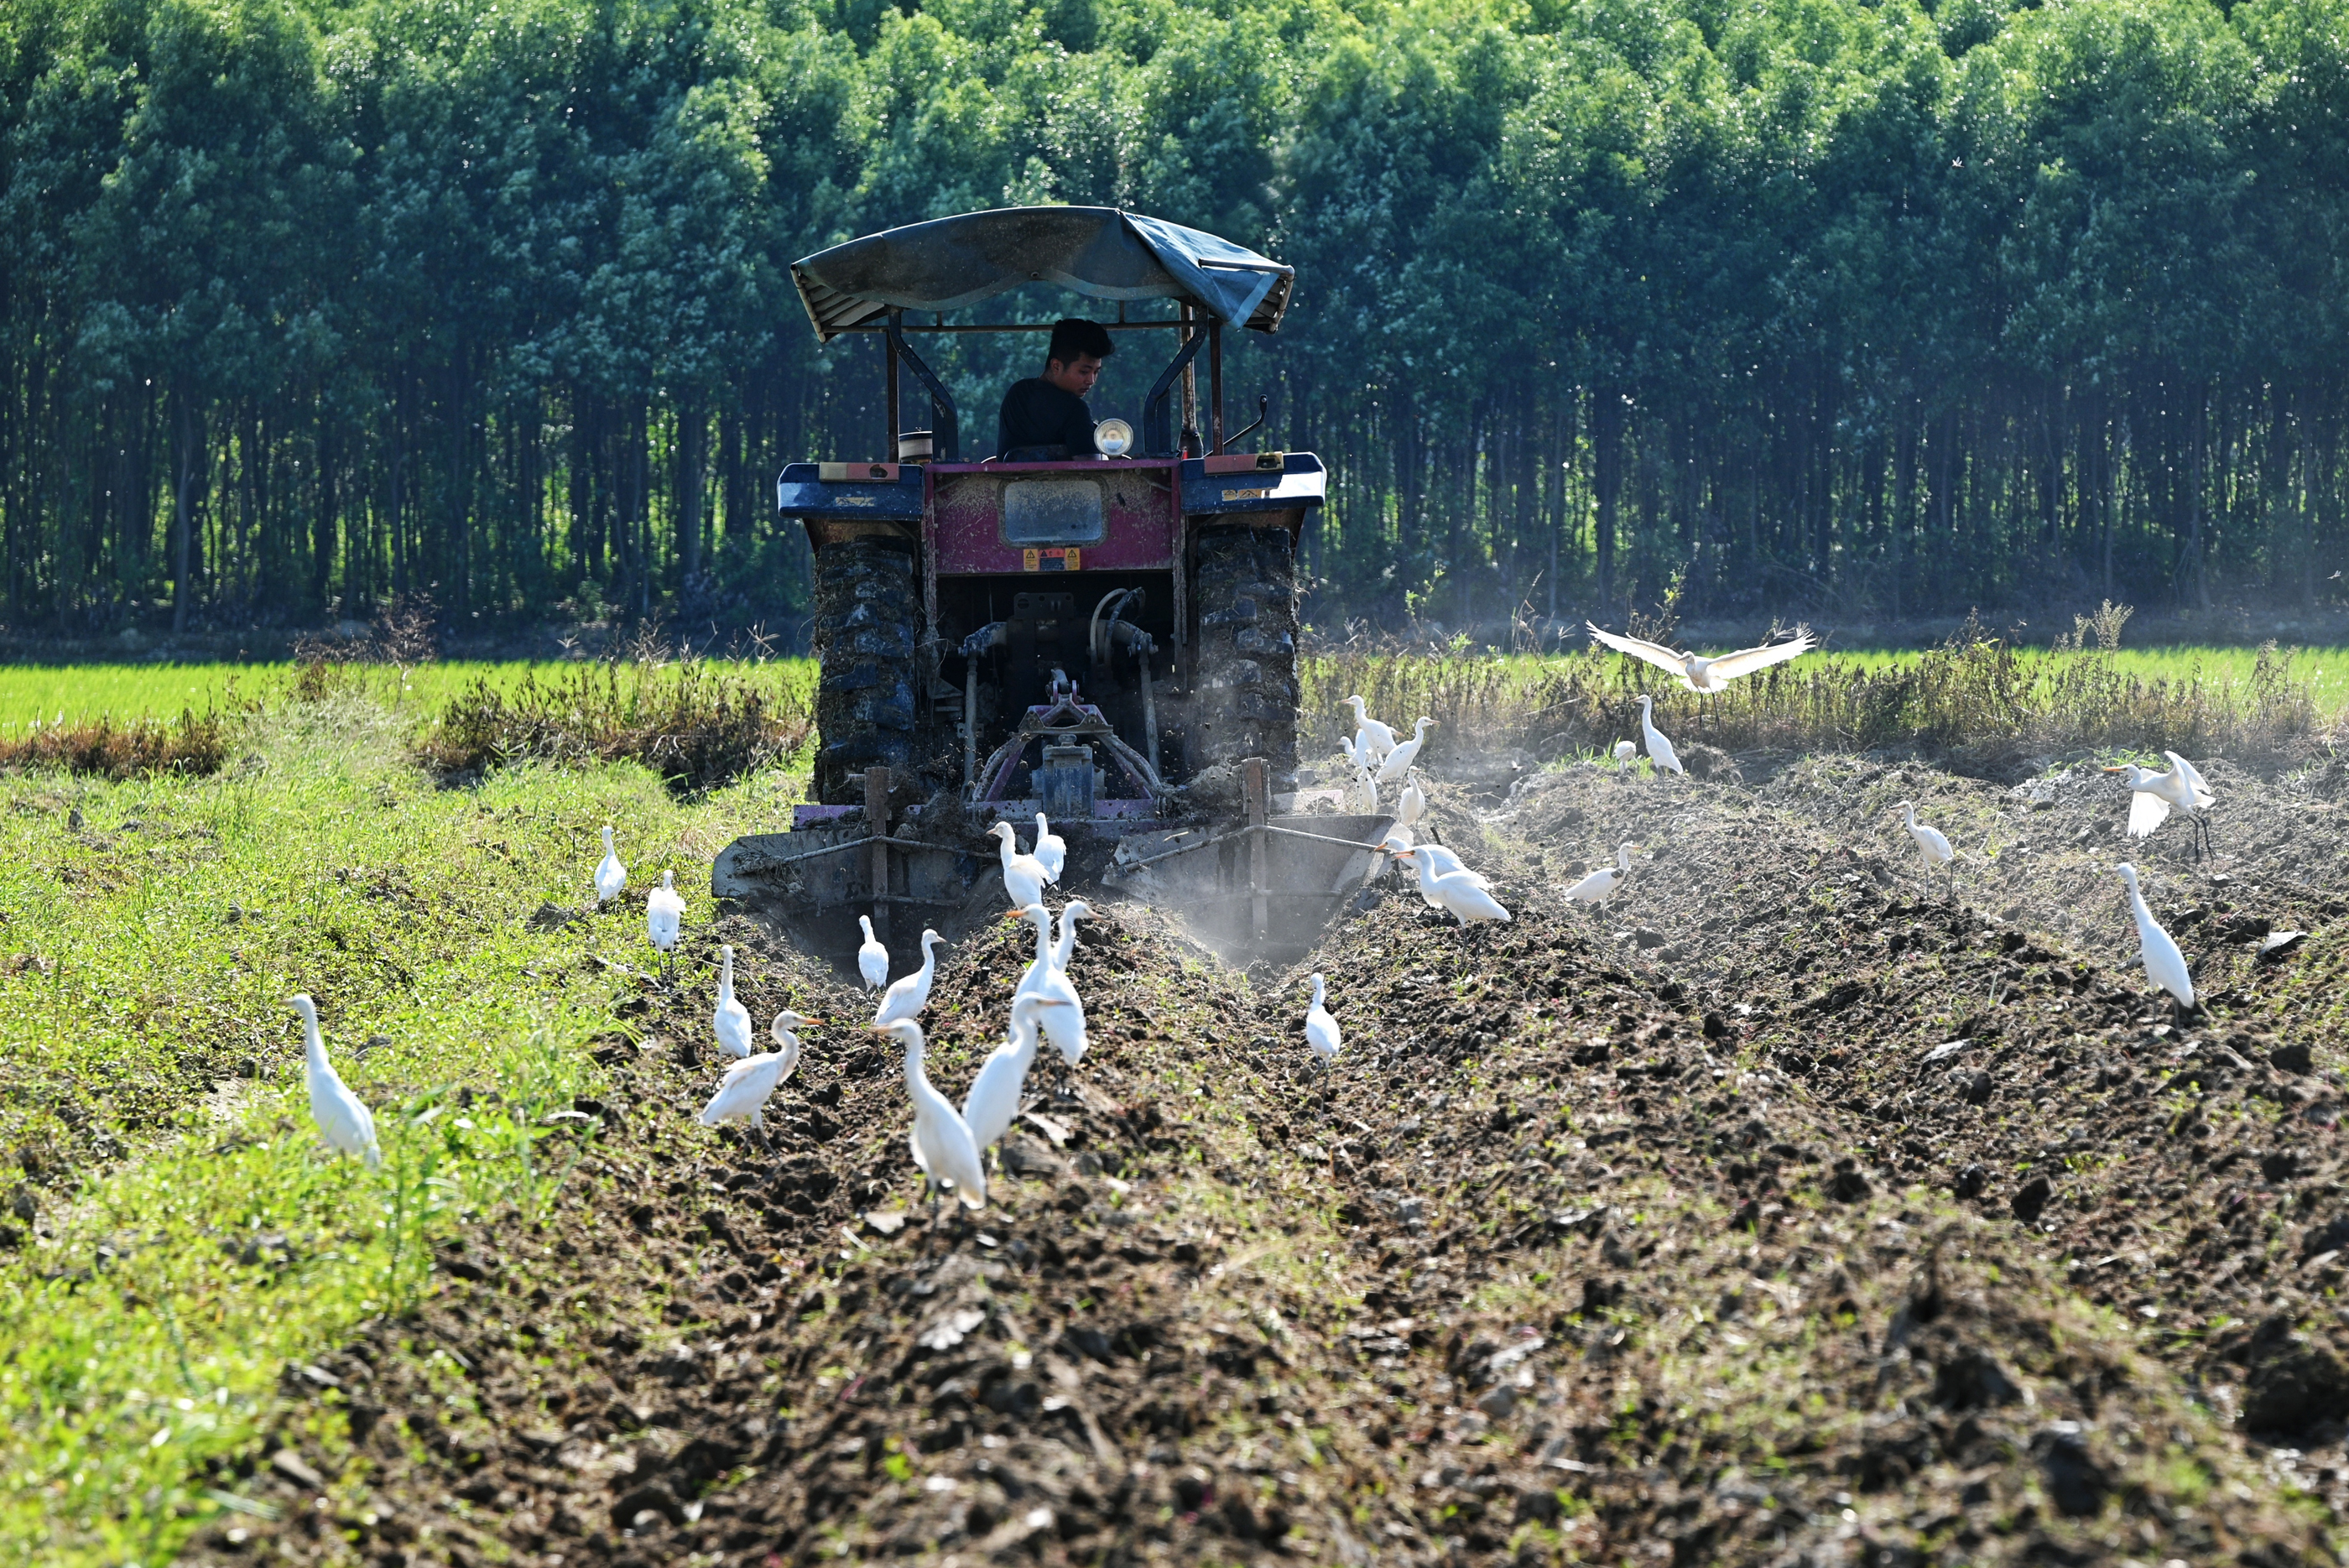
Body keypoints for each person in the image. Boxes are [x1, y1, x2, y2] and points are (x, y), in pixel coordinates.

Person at [998, 318, 1115, 460]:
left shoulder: (1017, 393)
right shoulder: (1075, 410)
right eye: (1084, 372)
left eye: (1096, 372)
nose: (1091, 381)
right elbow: (1092, 471)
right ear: (1056, 366)